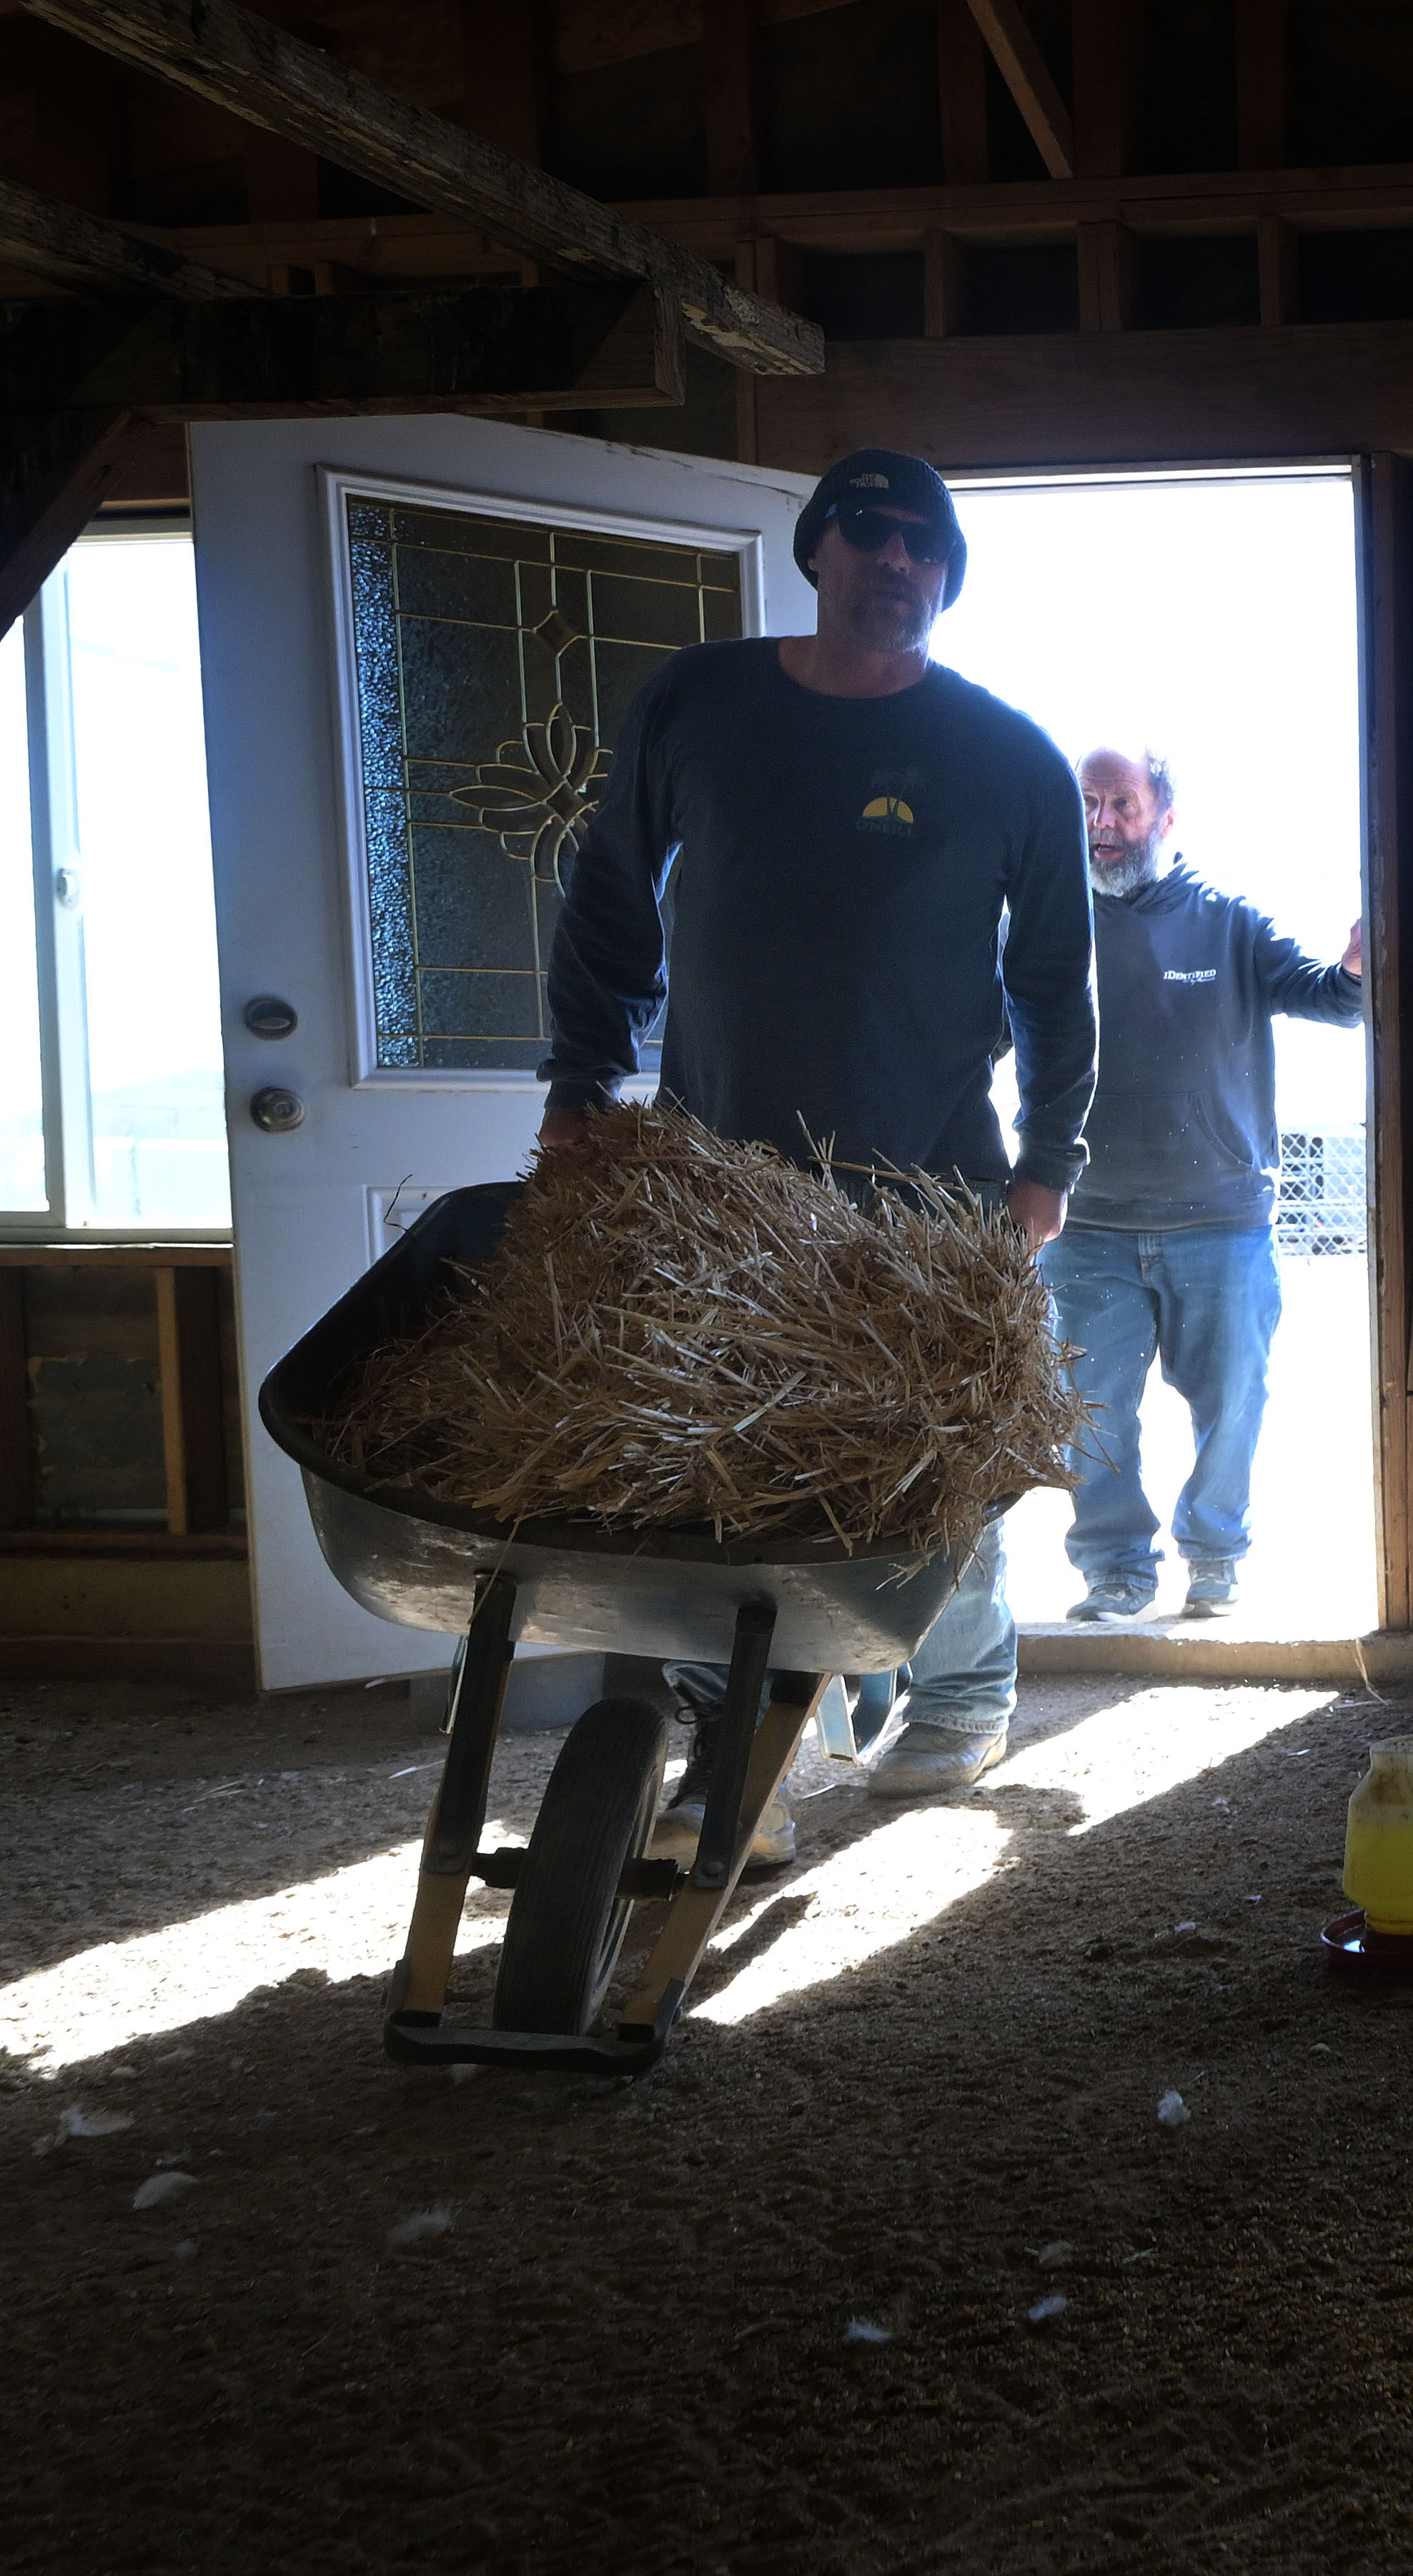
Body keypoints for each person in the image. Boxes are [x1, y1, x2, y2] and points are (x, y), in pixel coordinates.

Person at [536, 447, 1095, 1865]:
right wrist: (582, 1083)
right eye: (868, 533)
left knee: (937, 1463)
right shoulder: (701, 705)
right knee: (725, 1460)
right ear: (817, 551)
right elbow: (610, 900)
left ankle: (962, 1695)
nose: (895, 561)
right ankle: (749, 1756)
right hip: (726, 1181)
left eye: (923, 545)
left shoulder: (1005, 757)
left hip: (933, 1183)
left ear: (947, 576)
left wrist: (1049, 1162)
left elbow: (1054, 985)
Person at [1047, 743, 1362, 1623]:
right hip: (1089, 1226)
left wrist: (1357, 971)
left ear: (1166, 817)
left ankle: (1215, 1555)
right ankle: (1116, 1570)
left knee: (1233, 1404)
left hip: (1222, 1222)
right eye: (1089, 805)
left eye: (1121, 805)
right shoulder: (1051, 922)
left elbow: (1326, 997)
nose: (1101, 824)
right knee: (1088, 1411)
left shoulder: (1229, 922)